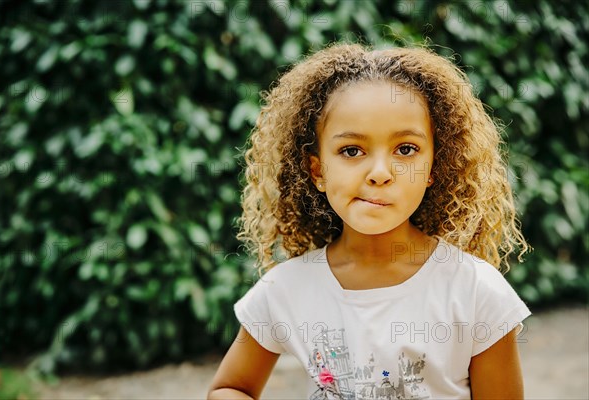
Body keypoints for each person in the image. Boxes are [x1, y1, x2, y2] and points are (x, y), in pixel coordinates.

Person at [208, 42, 531, 400]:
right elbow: (229, 388)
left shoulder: (474, 292)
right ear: (317, 170)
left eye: (405, 149)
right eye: (351, 151)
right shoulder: (286, 289)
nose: (379, 173)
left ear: (433, 167)